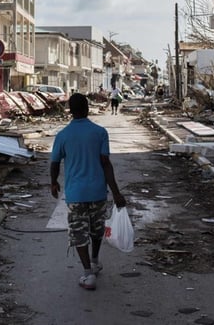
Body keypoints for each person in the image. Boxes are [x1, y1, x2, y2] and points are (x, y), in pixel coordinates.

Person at [50, 93, 127, 291]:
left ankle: (87, 273)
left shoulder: (63, 135)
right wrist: (116, 193)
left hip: (76, 194)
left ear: (70, 111)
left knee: (78, 233)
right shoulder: (100, 132)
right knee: (96, 229)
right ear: (87, 109)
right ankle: (95, 260)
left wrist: (53, 183)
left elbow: (55, 163)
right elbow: (106, 164)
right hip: (98, 191)